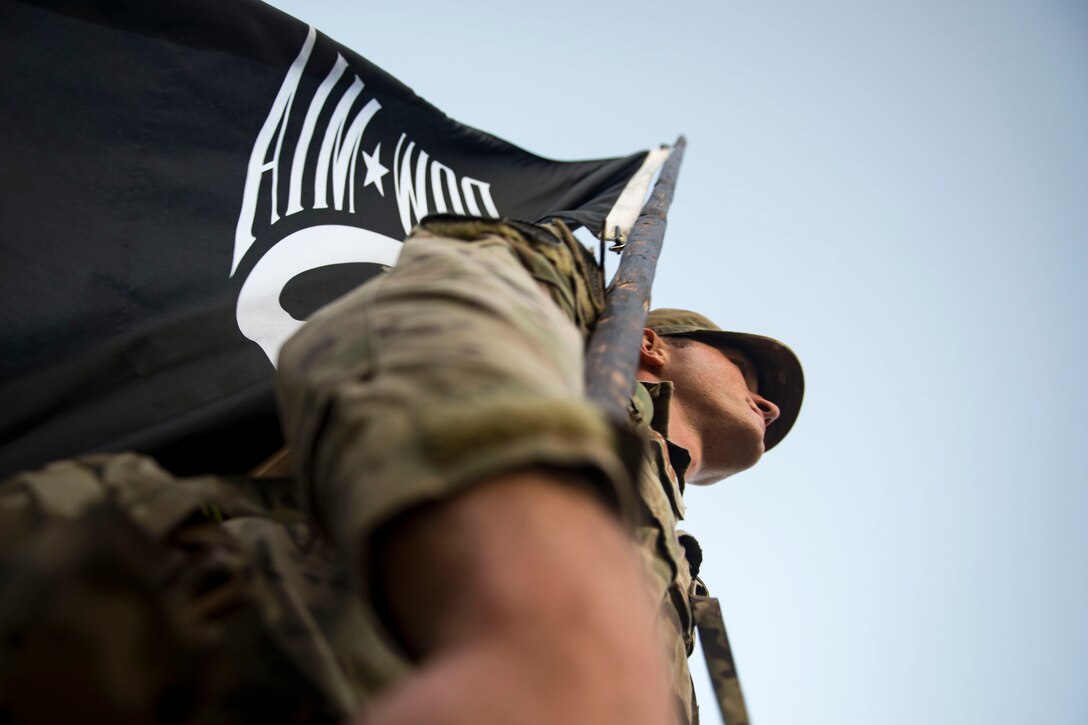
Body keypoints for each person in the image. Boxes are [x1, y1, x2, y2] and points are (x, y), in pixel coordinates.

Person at [0, 216, 802, 724]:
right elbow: (446, 303)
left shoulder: (681, 583)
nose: (767, 400)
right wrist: (539, 606)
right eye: (746, 369)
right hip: (206, 657)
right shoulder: (564, 333)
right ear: (652, 345)